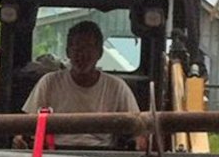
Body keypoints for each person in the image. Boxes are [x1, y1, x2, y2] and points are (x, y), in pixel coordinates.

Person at [18, 21, 141, 149]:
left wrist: (140, 140)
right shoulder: (48, 83)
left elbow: (138, 128)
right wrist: (21, 139)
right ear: (67, 52)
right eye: (77, 48)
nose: (82, 55)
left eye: (88, 48)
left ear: (99, 53)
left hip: (104, 156)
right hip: (55, 154)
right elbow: (28, 124)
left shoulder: (117, 87)